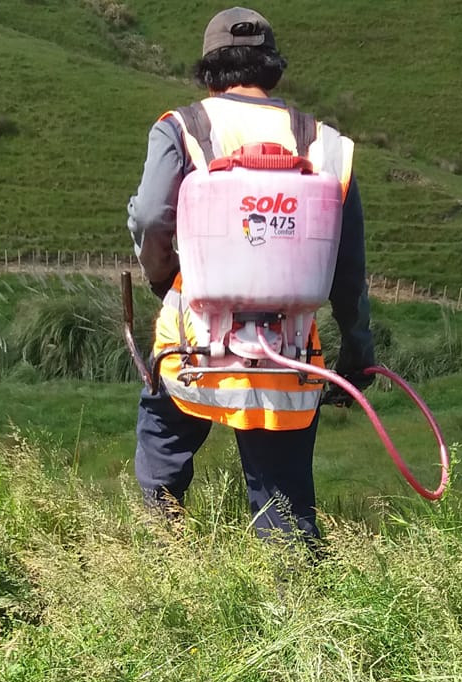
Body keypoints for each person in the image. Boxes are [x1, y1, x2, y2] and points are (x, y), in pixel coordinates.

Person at [127, 7, 375, 541]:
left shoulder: (182, 128)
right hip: (286, 357)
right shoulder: (326, 144)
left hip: (192, 345)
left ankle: (156, 573)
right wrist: (358, 353)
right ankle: (294, 609)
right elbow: (348, 270)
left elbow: (149, 217)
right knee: (283, 508)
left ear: (209, 70)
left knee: (161, 469)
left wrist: (164, 278)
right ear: (273, 69)